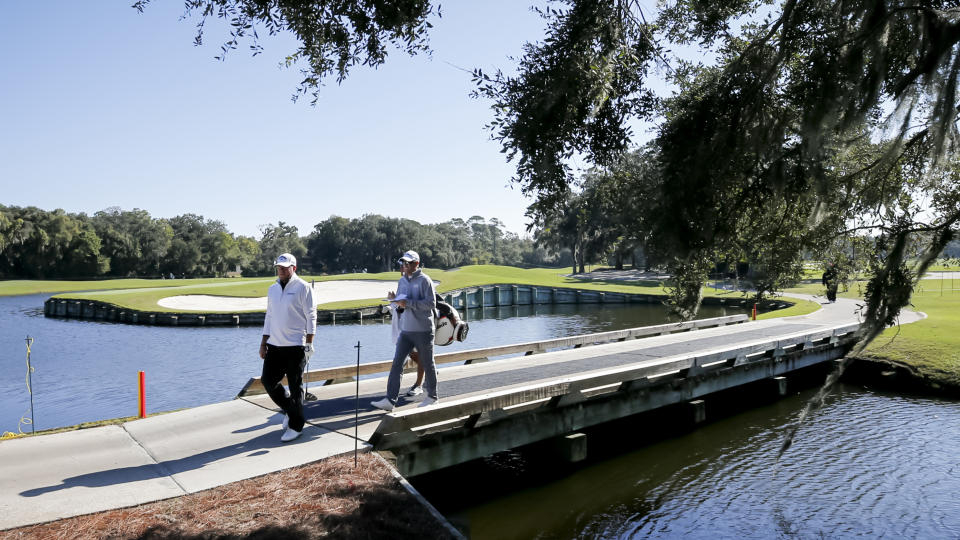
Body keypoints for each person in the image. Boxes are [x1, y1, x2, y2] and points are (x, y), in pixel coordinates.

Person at [259, 252, 317, 442]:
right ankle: (291, 411)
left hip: (295, 345)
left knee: (295, 386)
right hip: (274, 345)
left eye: (285, 267)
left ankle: (296, 426)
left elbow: (311, 317)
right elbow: (269, 316)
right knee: (268, 381)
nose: (281, 270)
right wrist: (263, 343)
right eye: (279, 267)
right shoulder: (272, 289)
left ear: (294, 267)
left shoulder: (303, 287)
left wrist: (309, 343)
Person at [372, 250, 438, 411]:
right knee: (396, 364)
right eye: (403, 263)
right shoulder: (402, 281)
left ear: (416, 264)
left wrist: (408, 303)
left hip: (423, 330)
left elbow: (431, 304)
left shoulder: (425, 280)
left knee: (428, 363)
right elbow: (401, 305)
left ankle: (432, 397)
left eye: (407, 263)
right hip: (406, 330)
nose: (404, 265)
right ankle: (390, 400)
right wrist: (394, 301)